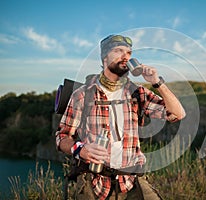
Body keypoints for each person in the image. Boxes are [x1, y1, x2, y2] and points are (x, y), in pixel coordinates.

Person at [55, 34, 186, 200]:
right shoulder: (83, 95)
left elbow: (177, 114)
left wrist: (157, 82)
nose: (126, 57)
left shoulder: (138, 93)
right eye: (118, 51)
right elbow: (62, 137)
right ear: (104, 57)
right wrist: (80, 150)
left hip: (132, 180)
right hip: (95, 183)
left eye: (129, 53)